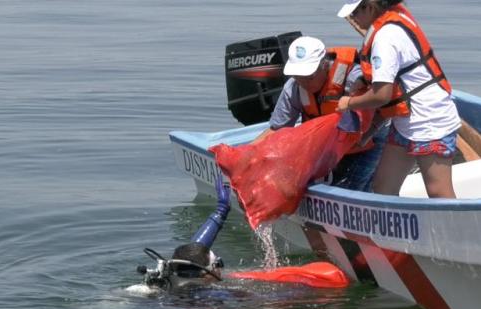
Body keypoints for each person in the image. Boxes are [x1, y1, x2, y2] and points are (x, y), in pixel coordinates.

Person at [335, 0, 460, 198]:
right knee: (383, 187)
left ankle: (458, 229)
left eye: (355, 13)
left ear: (370, 7)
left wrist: (348, 103)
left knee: (439, 192)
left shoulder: (385, 38)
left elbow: (382, 95)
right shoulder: (391, 20)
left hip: (429, 121)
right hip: (404, 122)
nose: (353, 19)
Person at [257, 35, 388, 192]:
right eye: (298, 77)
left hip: (370, 141)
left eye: (309, 76)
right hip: (331, 147)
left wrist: (370, 131)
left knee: (349, 190)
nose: (304, 82)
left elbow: (386, 100)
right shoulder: (293, 88)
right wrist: (245, 154)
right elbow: (277, 129)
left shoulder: (354, 78)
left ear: (324, 65)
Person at [136, 177, 231, 291]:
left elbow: (193, 255)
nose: (220, 269)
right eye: (218, 264)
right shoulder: (215, 298)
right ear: (206, 275)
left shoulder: (157, 288)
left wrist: (221, 210)